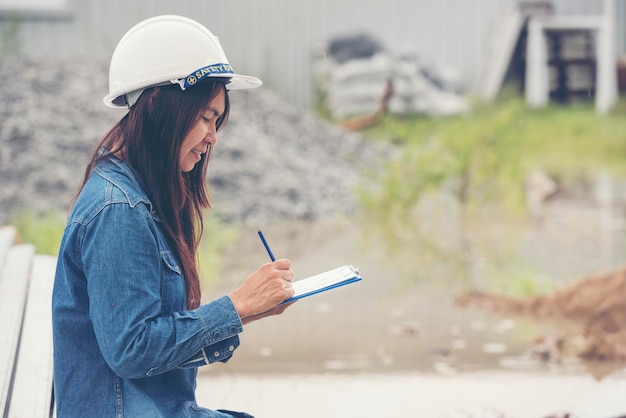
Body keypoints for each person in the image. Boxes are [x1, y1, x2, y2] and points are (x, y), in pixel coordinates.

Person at [52, 15, 295, 418]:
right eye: (204, 117)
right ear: (156, 106)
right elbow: (132, 350)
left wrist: (248, 310)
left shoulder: (141, 195)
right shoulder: (119, 210)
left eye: (217, 121)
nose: (213, 136)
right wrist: (236, 306)